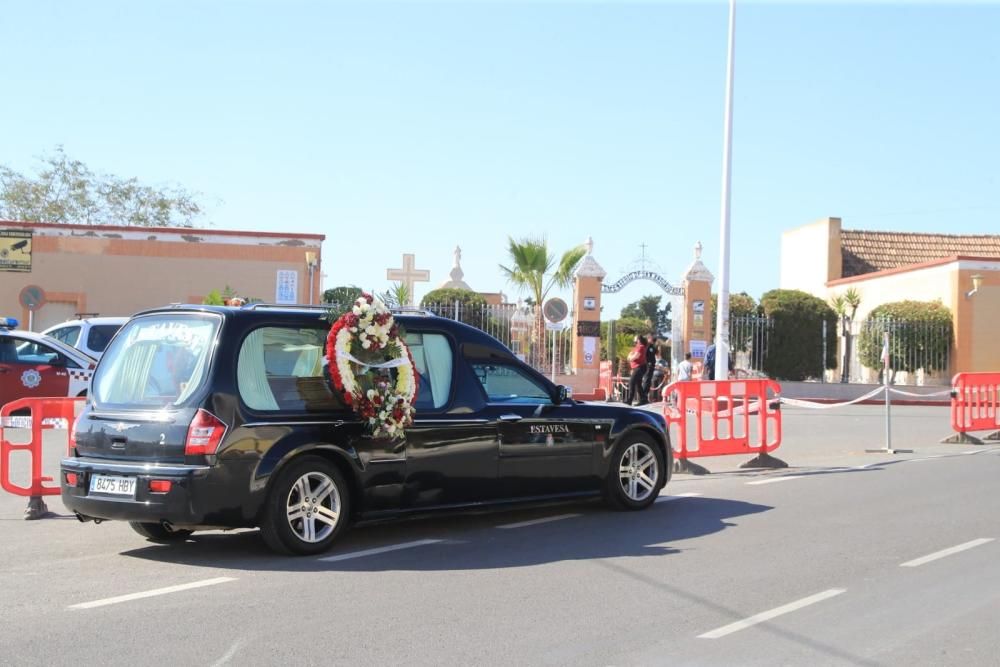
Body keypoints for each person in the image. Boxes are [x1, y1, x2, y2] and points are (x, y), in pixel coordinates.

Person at [626, 335, 647, 405]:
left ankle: (629, 400)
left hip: (640, 367)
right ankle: (643, 399)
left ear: (638, 339)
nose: (634, 339)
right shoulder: (636, 347)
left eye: (635, 337)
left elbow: (634, 357)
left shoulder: (641, 347)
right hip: (636, 367)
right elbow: (629, 356)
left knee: (632, 382)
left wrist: (630, 357)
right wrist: (630, 357)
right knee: (638, 384)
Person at [640, 336, 658, 405]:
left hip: (651, 366)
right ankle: (643, 397)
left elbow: (656, 353)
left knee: (648, 381)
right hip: (648, 365)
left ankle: (645, 397)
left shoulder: (652, 347)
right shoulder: (647, 346)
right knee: (646, 380)